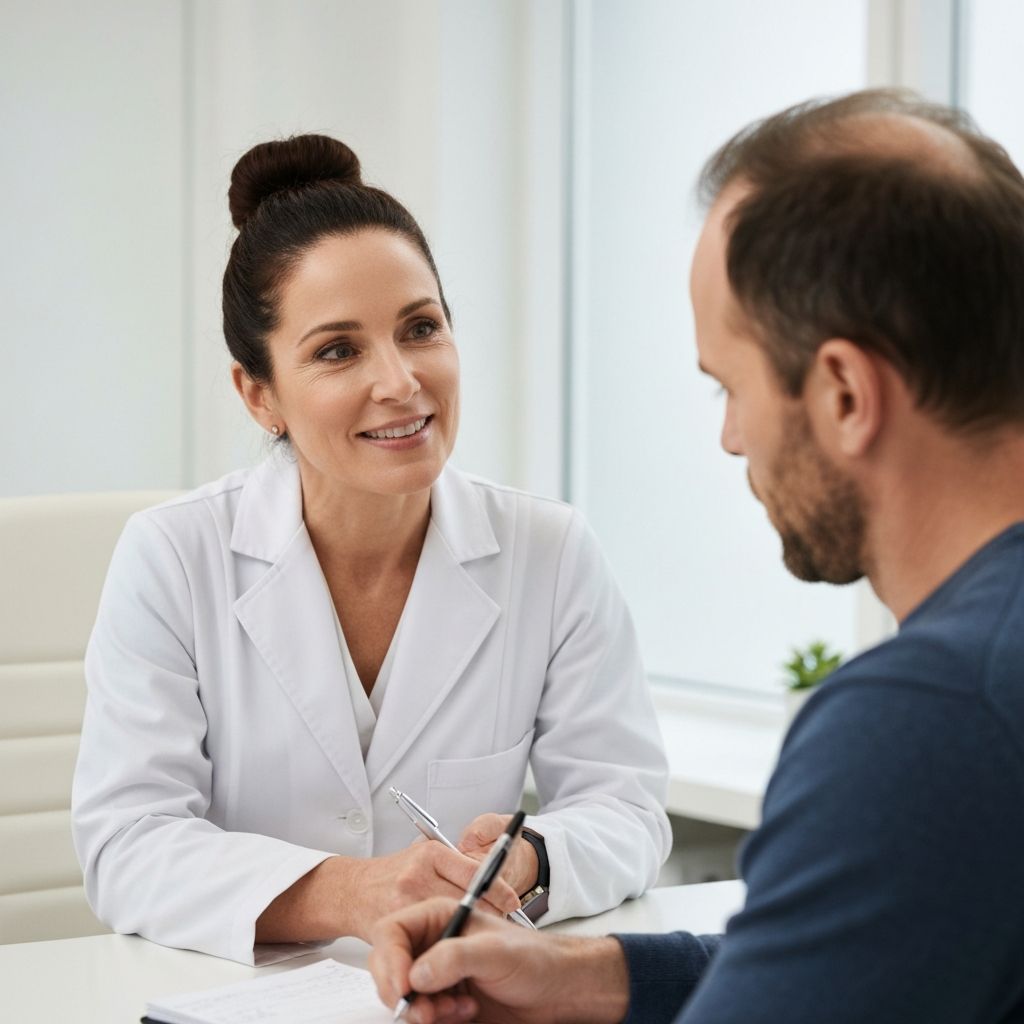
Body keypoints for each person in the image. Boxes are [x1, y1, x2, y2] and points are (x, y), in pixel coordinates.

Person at [368, 88, 1024, 1023]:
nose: (730, 438)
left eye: (730, 387)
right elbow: (865, 952)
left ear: (844, 393)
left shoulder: (927, 719)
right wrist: (587, 975)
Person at [70, 135, 671, 965]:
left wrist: (526, 859)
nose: (400, 382)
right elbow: (127, 845)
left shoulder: (550, 551)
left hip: (459, 989)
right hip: (240, 1000)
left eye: (421, 328)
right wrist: (353, 892)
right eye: (338, 350)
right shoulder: (173, 557)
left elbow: (627, 810)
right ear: (259, 394)